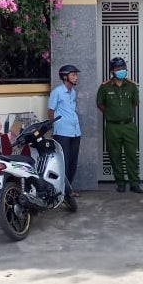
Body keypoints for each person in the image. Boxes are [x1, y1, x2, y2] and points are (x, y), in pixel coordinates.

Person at [97, 57, 143, 193]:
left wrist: (124, 114)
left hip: (129, 126)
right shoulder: (105, 87)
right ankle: (120, 183)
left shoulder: (132, 86)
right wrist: (112, 113)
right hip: (112, 127)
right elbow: (100, 104)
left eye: (123, 68)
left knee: (131, 155)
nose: (121, 71)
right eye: (118, 69)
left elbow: (135, 103)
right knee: (115, 156)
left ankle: (134, 183)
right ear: (112, 71)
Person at [48, 64, 82, 193]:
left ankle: (68, 191)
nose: (76, 77)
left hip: (75, 132)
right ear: (65, 77)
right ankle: (61, 191)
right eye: (73, 75)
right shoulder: (57, 92)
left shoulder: (73, 92)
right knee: (64, 162)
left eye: (76, 75)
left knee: (73, 162)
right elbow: (50, 111)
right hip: (62, 132)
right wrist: (55, 127)